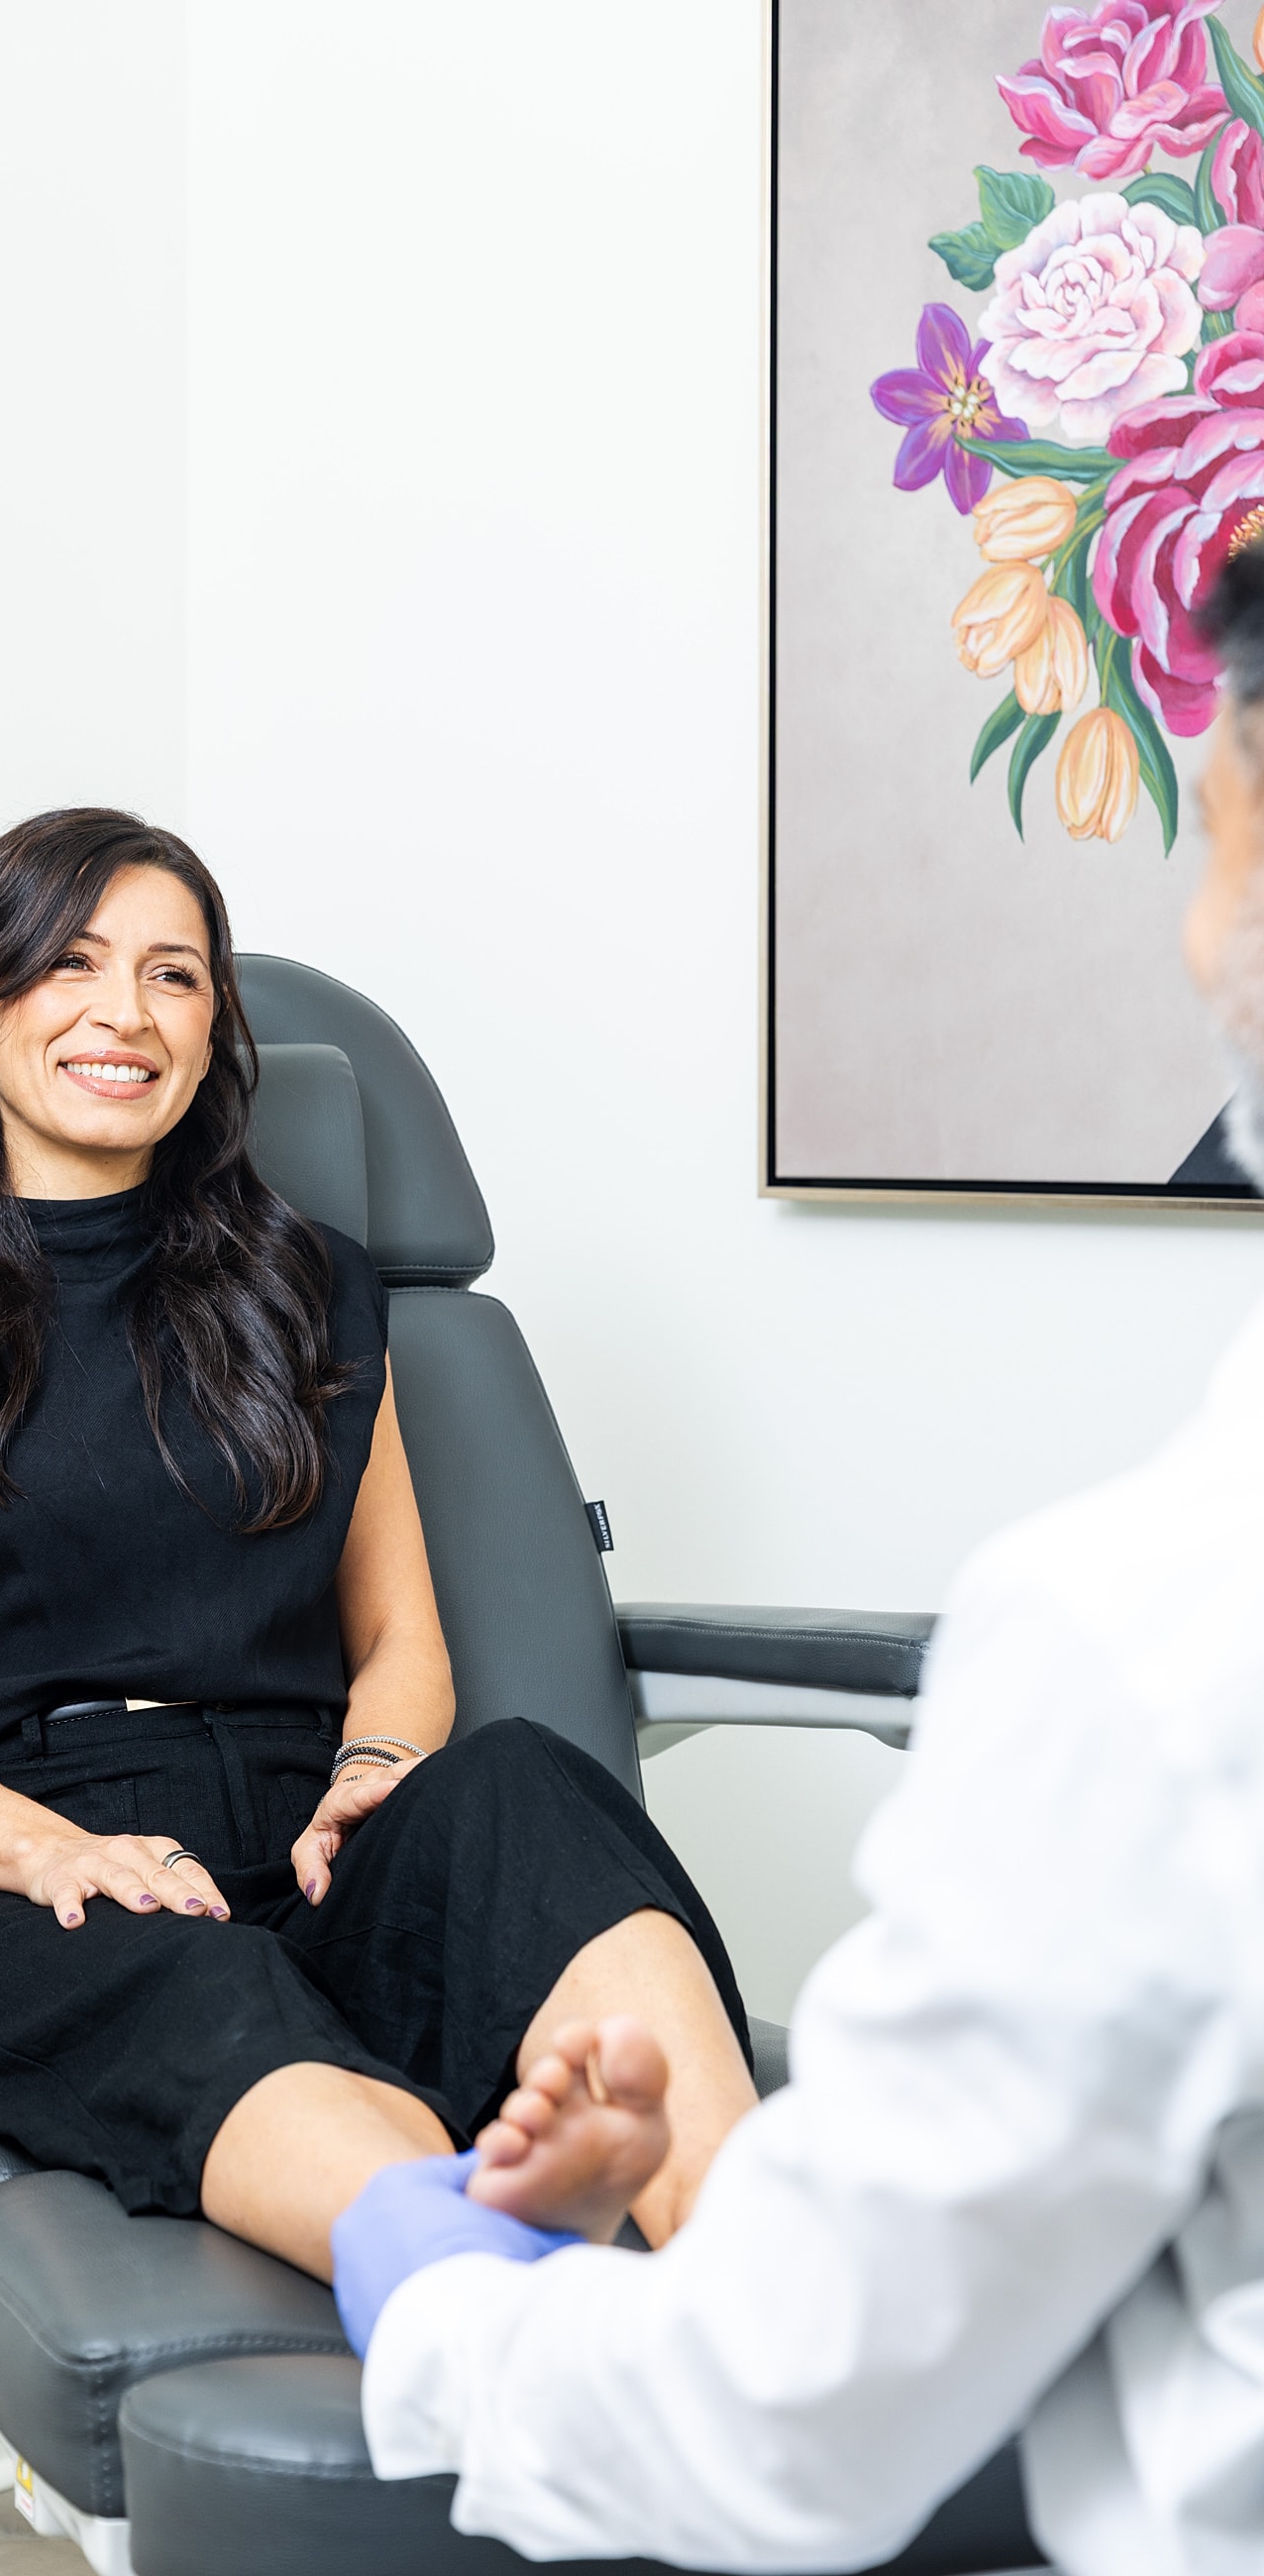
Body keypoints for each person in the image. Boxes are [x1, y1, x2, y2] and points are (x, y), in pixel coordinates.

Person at [334, 548, 1264, 2573]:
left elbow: (790, 2425)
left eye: (1206, 839)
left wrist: (435, 2303)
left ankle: (688, 2196)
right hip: (86, 1880)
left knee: (513, 1784)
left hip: (374, 1853)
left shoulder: (1162, 1639)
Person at [0, 808, 758, 2284]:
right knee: (199, 1987)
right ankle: (492, 2290)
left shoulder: (310, 1288)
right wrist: (53, 1850)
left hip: (309, 1838)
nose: (124, 1014)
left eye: (173, 976)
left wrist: (374, 1774)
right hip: (25, 1881)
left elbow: (399, 1638)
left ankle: (757, 2280)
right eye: (69, 964)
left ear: (213, 1024)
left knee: (527, 1784)